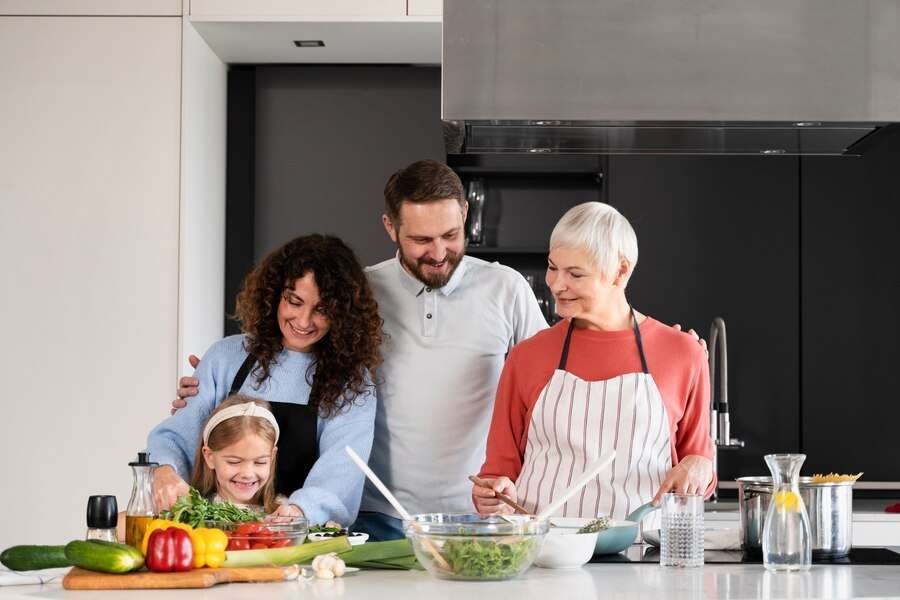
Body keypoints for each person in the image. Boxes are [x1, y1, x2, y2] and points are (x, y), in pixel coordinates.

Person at [174, 161, 705, 539]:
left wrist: (667, 346)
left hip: (482, 522)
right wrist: (220, 385)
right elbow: (300, 357)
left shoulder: (506, 290)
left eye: (452, 234)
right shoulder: (359, 293)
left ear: (466, 216)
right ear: (390, 227)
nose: (439, 252)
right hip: (375, 517)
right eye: (421, 240)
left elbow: (562, 362)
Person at [472, 202, 714, 528]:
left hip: (644, 555)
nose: (556, 284)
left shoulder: (683, 353)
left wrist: (700, 467)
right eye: (552, 267)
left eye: (575, 274)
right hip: (546, 555)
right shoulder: (527, 356)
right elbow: (498, 472)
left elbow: (699, 465)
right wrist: (493, 493)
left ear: (621, 271)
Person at [148, 234, 381, 525]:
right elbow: (176, 437)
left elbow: (342, 469)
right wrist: (165, 471)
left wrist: (297, 513)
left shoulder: (352, 383)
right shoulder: (226, 357)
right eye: (294, 301)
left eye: (321, 310)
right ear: (274, 295)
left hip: (298, 538)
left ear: (342, 315)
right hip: (216, 534)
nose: (304, 321)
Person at [192, 395, 282, 512]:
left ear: (272, 456)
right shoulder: (194, 514)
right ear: (210, 457)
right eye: (234, 462)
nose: (247, 474)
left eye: (260, 462)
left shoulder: (284, 515)